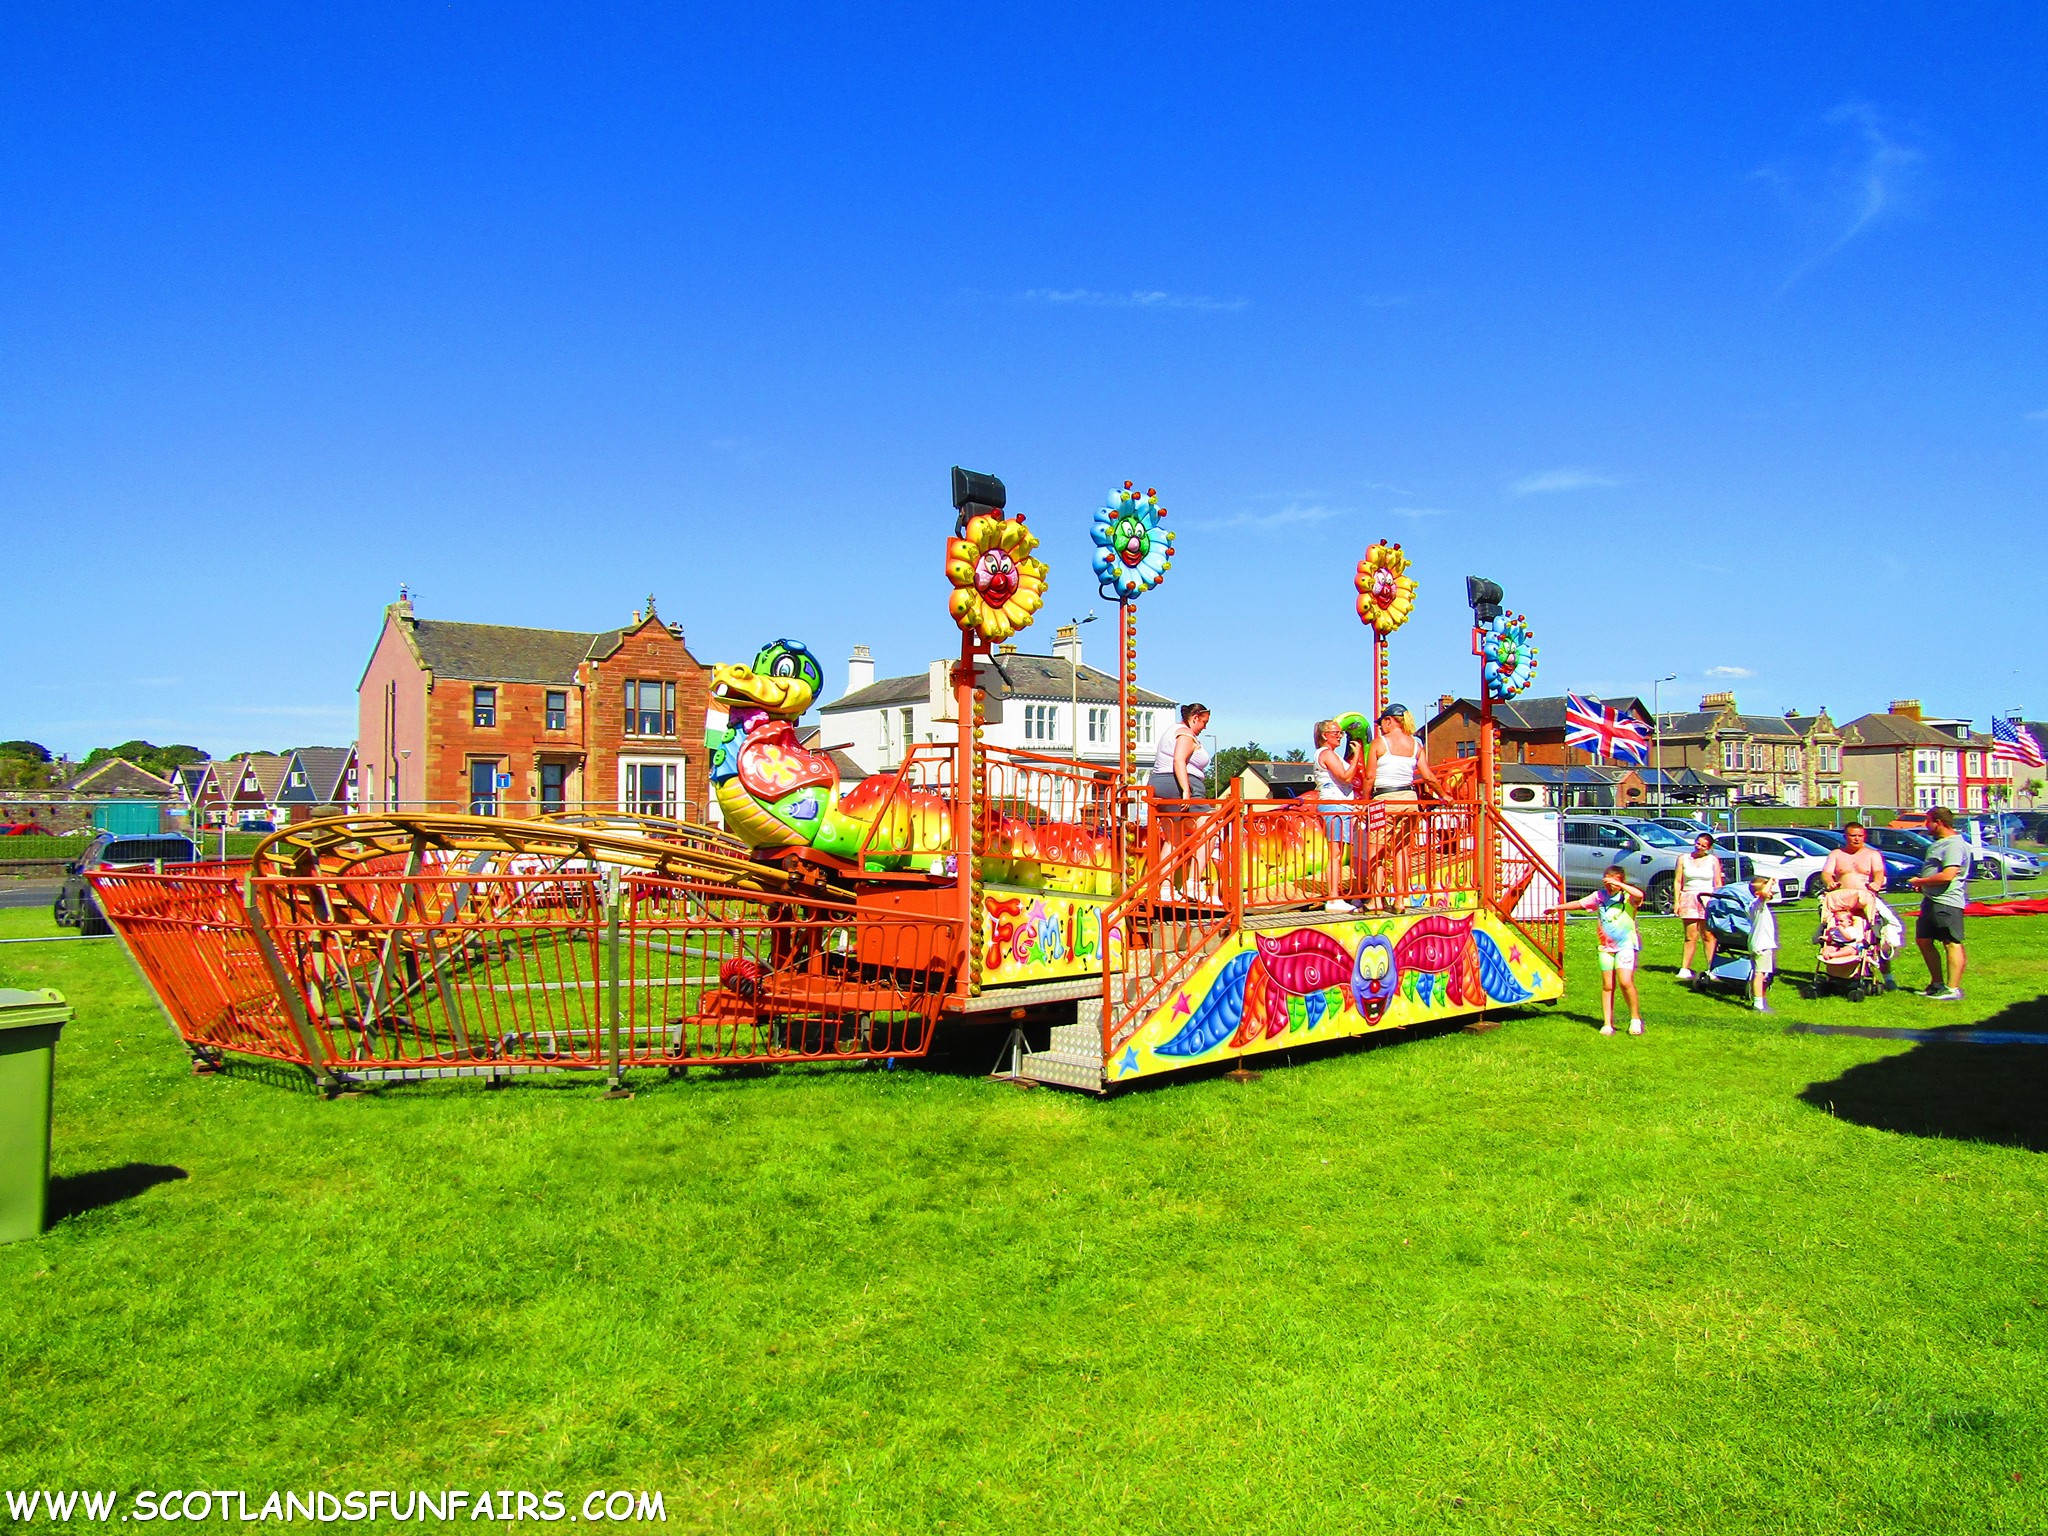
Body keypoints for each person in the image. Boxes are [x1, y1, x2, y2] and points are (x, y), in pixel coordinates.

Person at [1364, 704, 1443, 896]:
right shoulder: (1416, 744)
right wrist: (1444, 795)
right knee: (1402, 850)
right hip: (1409, 799)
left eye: (1382, 723)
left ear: (1389, 720)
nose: (1380, 727)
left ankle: (1375, 899)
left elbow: (1369, 777)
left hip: (1383, 799)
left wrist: (1365, 801)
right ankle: (1400, 899)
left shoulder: (1379, 743)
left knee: (1377, 849)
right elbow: (1428, 776)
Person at [1564, 864, 1646, 1036]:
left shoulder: (1627, 897)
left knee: (1625, 982)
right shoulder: (1599, 896)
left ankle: (1635, 1019)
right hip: (1605, 947)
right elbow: (1579, 904)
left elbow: (1639, 895)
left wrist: (1620, 885)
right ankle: (1607, 1023)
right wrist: (1557, 909)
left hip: (1625, 945)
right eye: (1606, 880)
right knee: (1608, 985)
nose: (1609, 884)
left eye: (1614, 880)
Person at [1148, 703, 1213, 900]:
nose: (1204, 727)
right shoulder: (1185, 733)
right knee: (1210, 827)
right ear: (1195, 717)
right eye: (1204, 722)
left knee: (1173, 838)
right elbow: (1179, 760)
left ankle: (1166, 889)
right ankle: (1193, 882)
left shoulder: (1172, 730)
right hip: (1180, 784)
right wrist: (1186, 789)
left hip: (1160, 782)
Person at [1822, 822, 1897, 989]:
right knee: (1836, 936)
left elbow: (1879, 872)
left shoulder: (1872, 854)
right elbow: (1827, 872)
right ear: (1845, 836)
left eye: (1860, 836)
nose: (1856, 839)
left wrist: (1877, 884)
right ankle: (1837, 972)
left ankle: (1887, 976)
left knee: (1877, 939)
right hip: (1841, 903)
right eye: (1852, 835)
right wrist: (1830, 882)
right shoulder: (1836, 854)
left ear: (1864, 837)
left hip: (1865, 902)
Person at [1909, 805, 1970, 1000]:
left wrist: (1920, 881)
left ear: (1939, 822)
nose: (1926, 825)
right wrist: (1925, 886)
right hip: (1931, 900)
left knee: (1951, 942)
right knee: (1923, 940)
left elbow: (1948, 875)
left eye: (1928, 821)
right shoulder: (1940, 843)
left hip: (1946, 902)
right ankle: (1937, 984)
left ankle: (1952, 989)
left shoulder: (1953, 844)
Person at [1313, 718, 1362, 911]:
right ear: (1325, 736)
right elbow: (1345, 776)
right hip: (1333, 804)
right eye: (1336, 733)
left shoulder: (1330, 754)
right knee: (1336, 852)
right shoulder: (1326, 753)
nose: (1340, 736)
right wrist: (1357, 756)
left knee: (1339, 852)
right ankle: (1333, 897)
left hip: (1340, 804)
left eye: (1341, 733)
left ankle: (1337, 895)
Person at [1674, 832, 1723, 981]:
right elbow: (1677, 881)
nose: (1699, 847)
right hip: (1688, 897)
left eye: (1703, 845)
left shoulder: (1713, 860)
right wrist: (1677, 901)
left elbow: (1718, 882)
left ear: (1708, 847)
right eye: (1698, 843)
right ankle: (1684, 968)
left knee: (1708, 935)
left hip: (1707, 899)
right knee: (1690, 936)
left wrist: (1718, 901)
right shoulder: (1683, 859)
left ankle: (1712, 968)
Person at [1747, 874, 1778, 1014]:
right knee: (1760, 974)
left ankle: (1758, 999)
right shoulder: (1759, 903)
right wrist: (1771, 880)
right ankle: (1758, 1004)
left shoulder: (1754, 905)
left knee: (1759, 973)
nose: (1771, 892)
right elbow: (1764, 892)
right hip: (1762, 945)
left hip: (1756, 944)